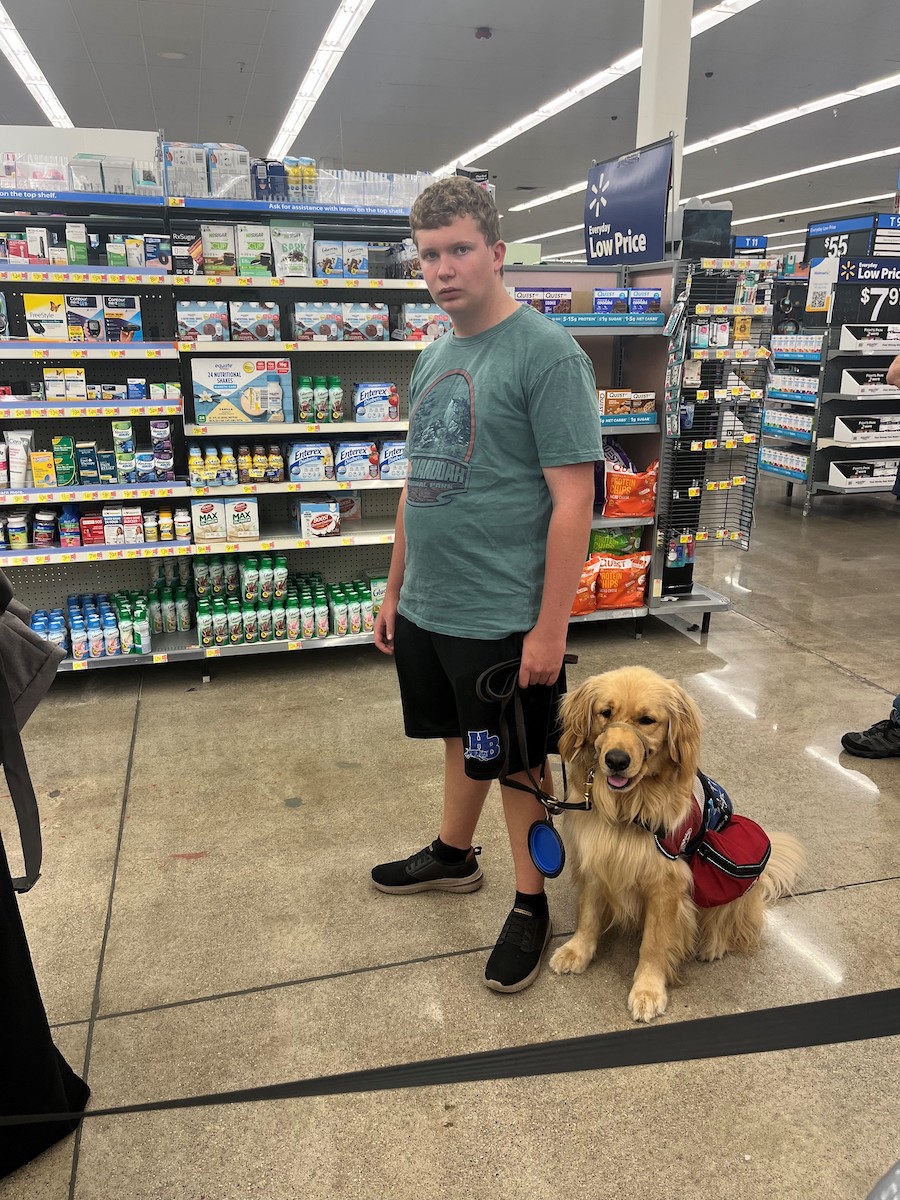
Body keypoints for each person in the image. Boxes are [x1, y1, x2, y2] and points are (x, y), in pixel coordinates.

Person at [371, 176, 602, 993]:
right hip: (432, 603)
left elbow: (576, 502)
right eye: (430, 255)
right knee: (458, 739)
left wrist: (550, 629)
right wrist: (394, 586)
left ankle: (532, 905)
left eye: (460, 249)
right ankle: (453, 855)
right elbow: (416, 480)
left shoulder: (548, 356)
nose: (443, 268)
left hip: (502, 608)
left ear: (496, 253)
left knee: (515, 760)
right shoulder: (434, 351)